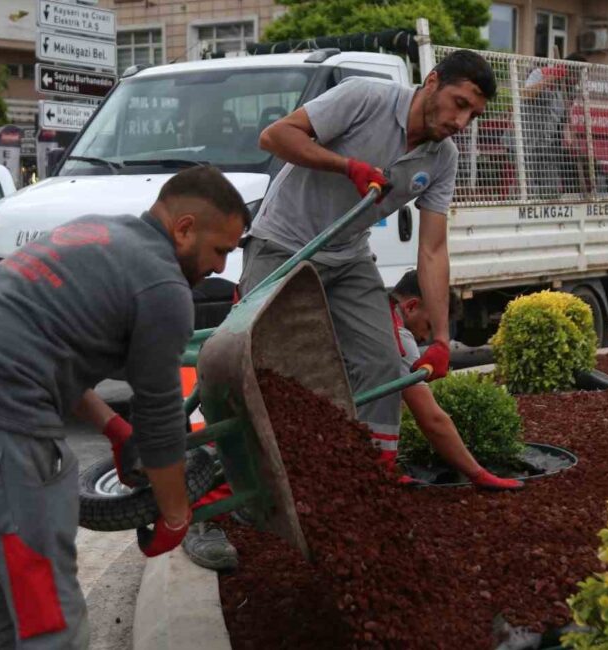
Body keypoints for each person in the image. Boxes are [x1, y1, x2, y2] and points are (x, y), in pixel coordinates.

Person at [0, 165, 249, 648]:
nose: (221, 268)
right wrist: (174, 514)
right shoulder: (162, 285)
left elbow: (37, 346)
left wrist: (112, 428)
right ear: (184, 228)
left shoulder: (92, 231)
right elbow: (161, 411)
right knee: (50, 624)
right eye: (220, 251)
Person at [182, 50, 498, 571]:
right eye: (458, 104)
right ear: (433, 82)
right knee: (254, 374)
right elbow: (275, 136)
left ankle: (367, 493)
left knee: (382, 366)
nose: (460, 122)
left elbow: (434, 250)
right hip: (283, 244)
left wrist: (441, 337)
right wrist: (344, 164)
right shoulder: (365, 97)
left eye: (472, 115)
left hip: (348, 258)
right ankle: (202, 510)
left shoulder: (442, 159)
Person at [389, 271, 523, 490]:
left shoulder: (372, 309)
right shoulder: (399, 337)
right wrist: (478, 474)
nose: (425, 338)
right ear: (411, 306)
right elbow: (432, 419)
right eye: (429, 325)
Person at [521, 52, 587, 199]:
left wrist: (569, 136)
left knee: (551, 190)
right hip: (525, 142)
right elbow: (525, 93)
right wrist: (548, 80)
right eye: (577, 74)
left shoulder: (570, 92)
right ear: (568, 70)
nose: (578, 80)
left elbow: (563, 119)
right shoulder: (540, 73)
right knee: (527, 189)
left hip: (547, 144)